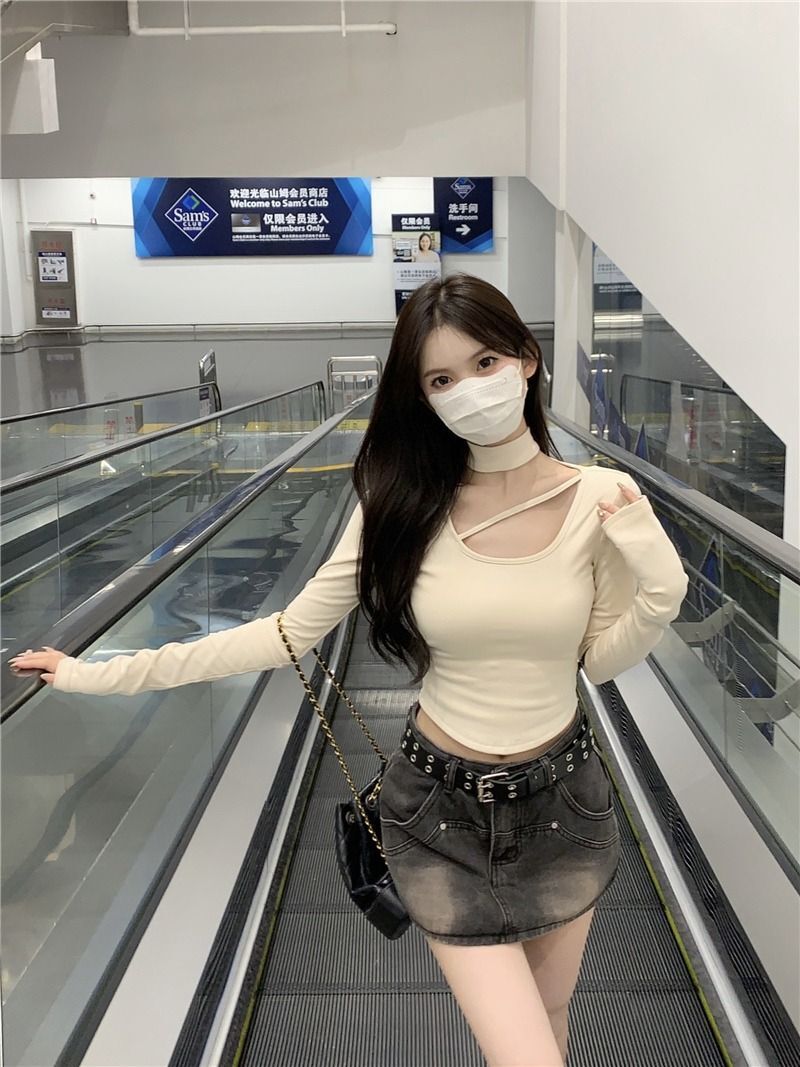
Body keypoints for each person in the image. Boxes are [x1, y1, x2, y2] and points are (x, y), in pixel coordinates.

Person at [10, 273, 688, 1067]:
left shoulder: (603, 498)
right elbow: (285, 634)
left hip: (565, 804)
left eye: (484, 363)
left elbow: (599, 659)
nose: (470, 390)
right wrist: (93, 672)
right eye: (441, 379)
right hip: (439, 811)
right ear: (421, 397)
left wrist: (660, 590)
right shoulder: (401, 505)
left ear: (526, 359)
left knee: (552, 1019)